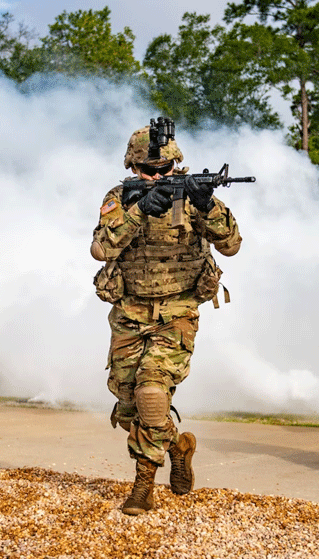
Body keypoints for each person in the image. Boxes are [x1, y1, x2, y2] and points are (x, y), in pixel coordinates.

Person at [91, 122, 242, 515]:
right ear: (134, 168)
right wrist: (140, 210)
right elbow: (100, 248)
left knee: (152, 394)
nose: (158, 177)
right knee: (129, 410)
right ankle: (178, 446)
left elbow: (232, 246)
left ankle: (143, 486)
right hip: (129, 311)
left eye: (166, 170)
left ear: (177, 165)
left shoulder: (194, 197)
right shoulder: (120, 197)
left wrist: (207, 205)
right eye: (149, 172)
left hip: (177, 310)